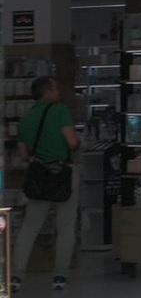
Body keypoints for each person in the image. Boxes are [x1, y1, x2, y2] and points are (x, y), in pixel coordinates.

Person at [15, 76, 79, 292]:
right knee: (65, 227)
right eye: (56, 88)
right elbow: (71, 141)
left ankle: (16, 276)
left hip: (39, 176)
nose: (59, 91)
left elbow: (24, 155)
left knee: (29, 228)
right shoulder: (60, 111)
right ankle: (60, 276)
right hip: (62, 174)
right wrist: (76, 144)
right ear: (47, 91)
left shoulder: (26, 118)